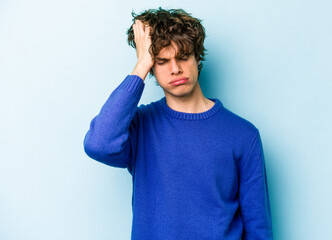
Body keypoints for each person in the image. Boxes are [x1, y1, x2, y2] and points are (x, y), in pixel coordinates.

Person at [83, 7, 273, 240]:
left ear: (196, 57)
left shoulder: (244, 135)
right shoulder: (140, 127)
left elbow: (258, 229)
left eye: (183, 56)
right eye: (162, 61)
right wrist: (141, 65)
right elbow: (98, 144)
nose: (175, 69)